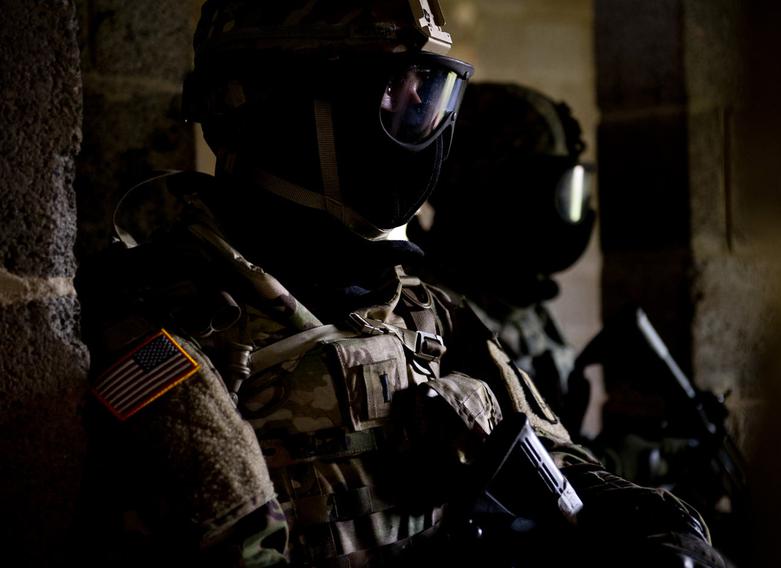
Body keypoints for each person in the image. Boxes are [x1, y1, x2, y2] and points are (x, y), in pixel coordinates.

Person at [74, 2, 730, 566]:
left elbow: (558, 467)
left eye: (430, 89)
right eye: (396, 87)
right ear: (280, 107)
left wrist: (656, 525)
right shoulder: (151, 323)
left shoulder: (424, 308)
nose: (424, 112)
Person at [408, 82, 596, 431]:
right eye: (549, 191)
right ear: (489, 193)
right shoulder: (432, 314)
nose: (567, 212)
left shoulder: (518, 303)